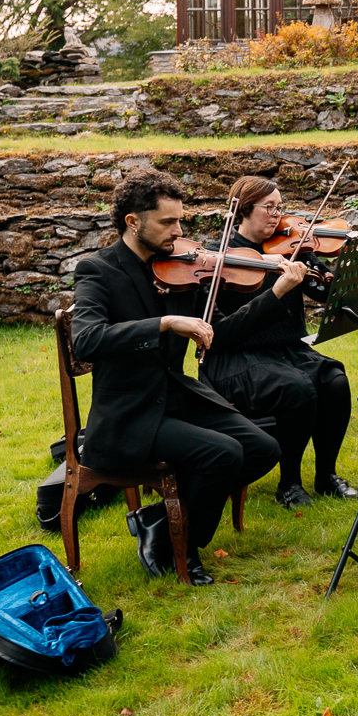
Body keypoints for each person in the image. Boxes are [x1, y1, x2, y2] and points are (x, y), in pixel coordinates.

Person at [70, 168, 285, 586]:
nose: (179, 230)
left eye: (180, 220)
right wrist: (164, 323)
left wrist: (275, 294)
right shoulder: (97, 271)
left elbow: (221, 333)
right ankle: (179, 544)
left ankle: (161, 519)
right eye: (168, 222)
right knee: (222, 454)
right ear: (133, 222)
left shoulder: (181, 268)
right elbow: (87, 341)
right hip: (128, 412)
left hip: (174, 393)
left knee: (261, 448)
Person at [203, 175, 357, 509]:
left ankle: (326, 476)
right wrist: (278, 290)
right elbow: (222, 334)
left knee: (334, 380)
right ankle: (288, 484)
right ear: (244, 210)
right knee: (296, 388)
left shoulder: (289, 247)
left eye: (280, 207)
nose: (277, 216)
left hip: (285, 350)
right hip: (234, 357)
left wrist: (348, 258)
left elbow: (328, 292)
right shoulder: (217, 257)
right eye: (268, 208)